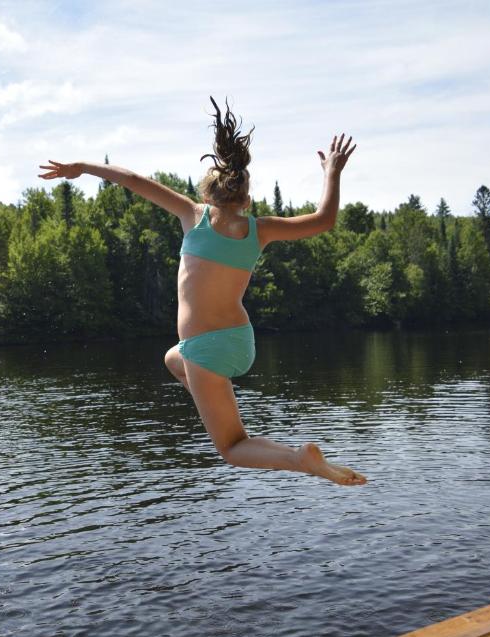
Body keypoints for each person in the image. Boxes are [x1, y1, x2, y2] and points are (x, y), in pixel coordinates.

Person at [40, 98, 367, 486]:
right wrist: (332, 172)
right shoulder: (261, 229)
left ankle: (299, 458)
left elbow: (129, 179)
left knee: (231, 447)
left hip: (206, 348)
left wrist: (82, 167)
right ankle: (217, 394)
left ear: (207, 194)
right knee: (171, 359)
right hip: (240, 342)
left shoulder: (193, 216)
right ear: (246, 199)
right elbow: (324, 220)